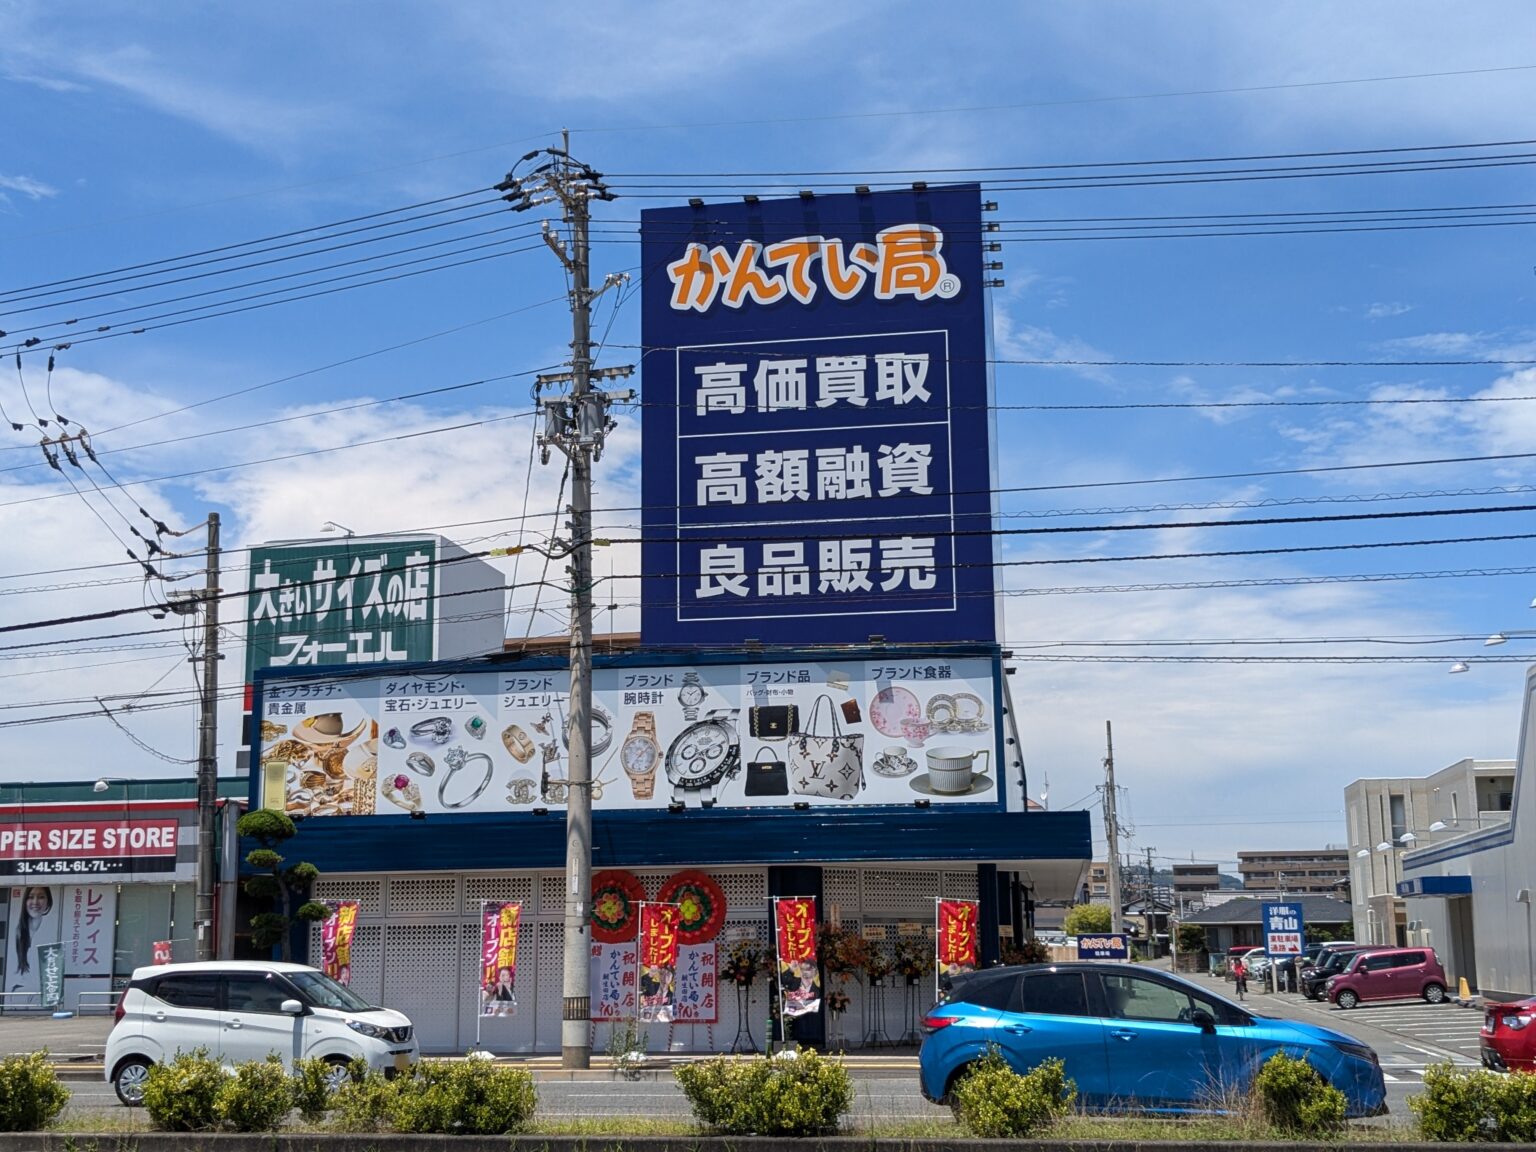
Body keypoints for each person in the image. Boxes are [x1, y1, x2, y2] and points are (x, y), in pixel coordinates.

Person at [10, 887, 53, 992]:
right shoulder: (17, 932)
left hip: (43, 992)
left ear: (48, 902)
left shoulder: (51, 931)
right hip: (19, 992)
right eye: (30, 897)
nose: (35, 902)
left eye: (41, 897)